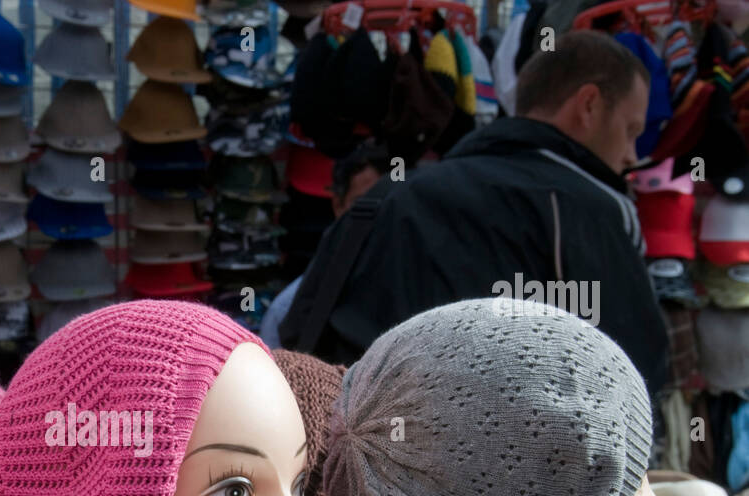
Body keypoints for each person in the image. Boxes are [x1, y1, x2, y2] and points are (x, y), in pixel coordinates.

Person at [278, 31, 670, 396]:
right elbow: (635, 378)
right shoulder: (589, 208)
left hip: (363, 452)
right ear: (588, 105)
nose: (631, 156)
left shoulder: (385, 197)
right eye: (631, 130)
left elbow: (301, 333)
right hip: (520, 463)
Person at [259, 140, 392, 348]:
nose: (381, 217)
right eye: (365, 205)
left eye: (391, 203)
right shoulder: (286, 309)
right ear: (338, 205)